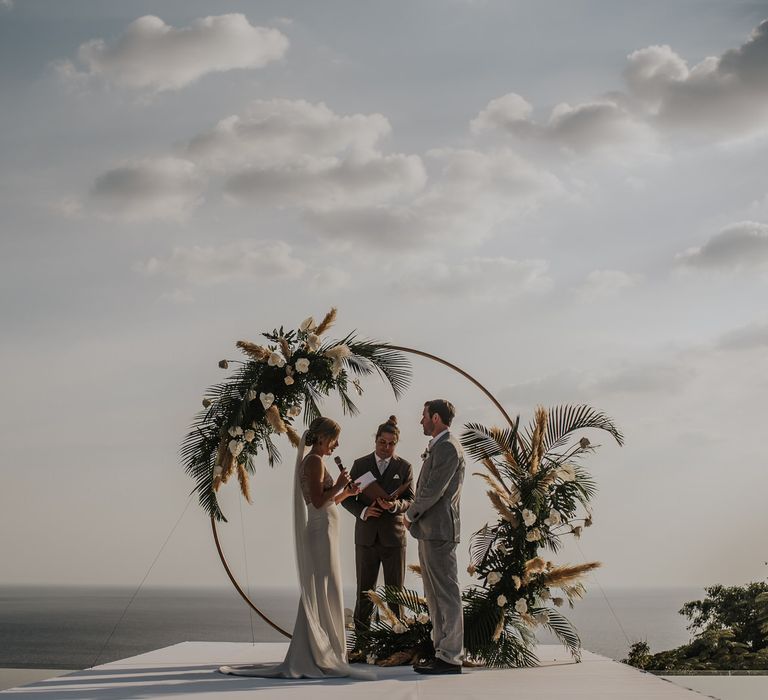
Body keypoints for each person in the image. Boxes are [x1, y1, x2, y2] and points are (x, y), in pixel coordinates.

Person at [220, 417, 375, 680]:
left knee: (325, 585)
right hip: (320, 530)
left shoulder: (318, 461)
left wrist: (346, 493)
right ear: (323, 438)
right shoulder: (313, 461)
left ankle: (325, 649)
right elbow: (316, 502)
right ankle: (317, 651)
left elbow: (328, 501)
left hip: (327, 528)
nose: (336, 445)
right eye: (334, 440)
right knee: (322, 586)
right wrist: (338, 484)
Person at [404, 400, 465, 675]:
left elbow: (432, 491)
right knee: (433, 594)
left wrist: (409, 514)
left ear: (436, 418)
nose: (421, 421)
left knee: (446, 593)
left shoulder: (448, 447)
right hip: (430, 531)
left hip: (440, 530)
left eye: (424, 415)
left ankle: (451, 656)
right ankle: (441, 651)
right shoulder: (439, 446)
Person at [341, 416, 414, 632]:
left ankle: (398, 642)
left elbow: (410, 500)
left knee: (395, 594)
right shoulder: (360, 465)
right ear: (376, 441)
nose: (386, 447)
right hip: (366, 538)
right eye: (383, 442)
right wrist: (363, 511)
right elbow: (346, 497)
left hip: (394, 538)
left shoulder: (405, 467)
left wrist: (393, 506)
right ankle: (362, 642)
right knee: (365, 592)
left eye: (391, 443)